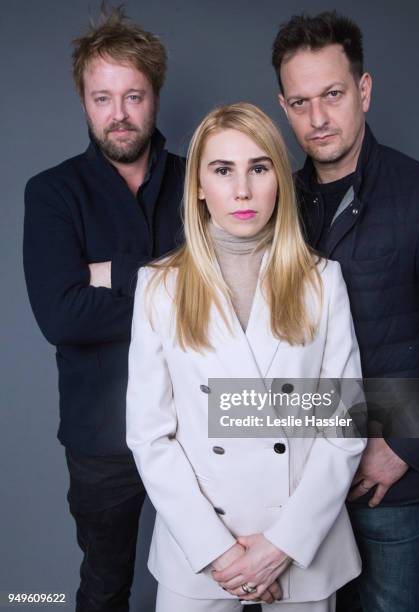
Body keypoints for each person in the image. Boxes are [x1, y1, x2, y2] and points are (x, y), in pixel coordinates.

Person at [126, 102, 366, 612]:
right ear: (197, 185)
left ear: (278, 179)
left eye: (258, 168)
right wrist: (217, 552)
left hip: (302, 543)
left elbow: (344, 427)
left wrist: (280, 547)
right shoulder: (159, 287)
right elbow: (149, 436)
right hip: (199, 547)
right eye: (222, 170)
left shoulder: (322, 281)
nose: (242, 190)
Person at [272, 11, 419, 612]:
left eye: (331, 94)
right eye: (300, 102)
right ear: (283, 106)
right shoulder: (275, 205)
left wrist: (403, 444)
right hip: (296, 477)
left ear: (364, 90)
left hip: (387, 479)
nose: (317, 118)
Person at [23, 6, 184, 611]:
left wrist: (109, 274)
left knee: (217, 580)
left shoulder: (200, 181)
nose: (119, 114)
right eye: (102, 98)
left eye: (133, 96)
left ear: (155, 98)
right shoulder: (52, 191)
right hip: (100, 436)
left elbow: (223, 296)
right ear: (84, 103)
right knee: (103, 587)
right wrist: (171, 284)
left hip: (195, 425)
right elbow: (61, 316)